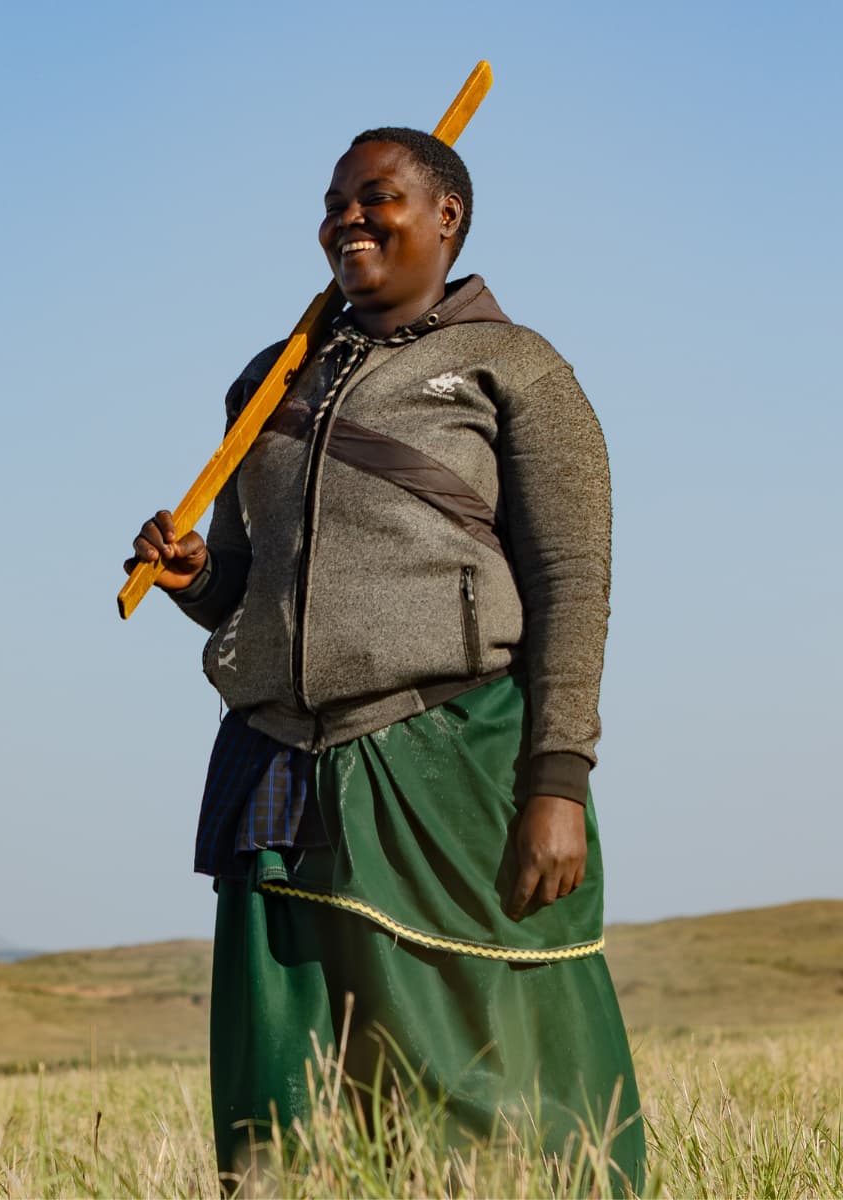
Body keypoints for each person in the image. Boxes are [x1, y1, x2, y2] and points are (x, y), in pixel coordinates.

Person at [124, 127, 645, 1193]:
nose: (348, 220)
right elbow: (245, 585)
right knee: (291, 1082)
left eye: (379, 199)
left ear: (447, 217)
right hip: (274, 764)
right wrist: (190, 580)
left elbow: (574, 584)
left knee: (477, 1064)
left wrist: (558, 778)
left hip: (445, 752)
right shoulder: (267, 384)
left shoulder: (520, 371)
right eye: (334, 203)